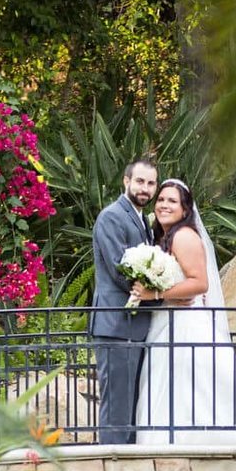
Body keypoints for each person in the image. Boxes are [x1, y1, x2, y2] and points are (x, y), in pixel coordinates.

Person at [130, 179, 236, 444]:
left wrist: (155, 294)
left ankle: (188, 443)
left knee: (192, 385)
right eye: (161, 199)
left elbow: (199, 283)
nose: (164, 205)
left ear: (185, 210)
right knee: (176, 386)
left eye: (172, 201)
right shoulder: (163, 237)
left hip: (186, 323)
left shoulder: (184, 236)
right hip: (168, 320)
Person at [89, 157, 158, 444]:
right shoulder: (112, 216)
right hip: (117, 324)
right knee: (117, 405)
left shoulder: (142, 220)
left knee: (130, 404)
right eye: (140, 181)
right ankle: (112, 468)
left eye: (151, 183)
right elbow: (120, 269)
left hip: (135, 325)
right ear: (126, 181)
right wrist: (157, 292)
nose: (145, 188)